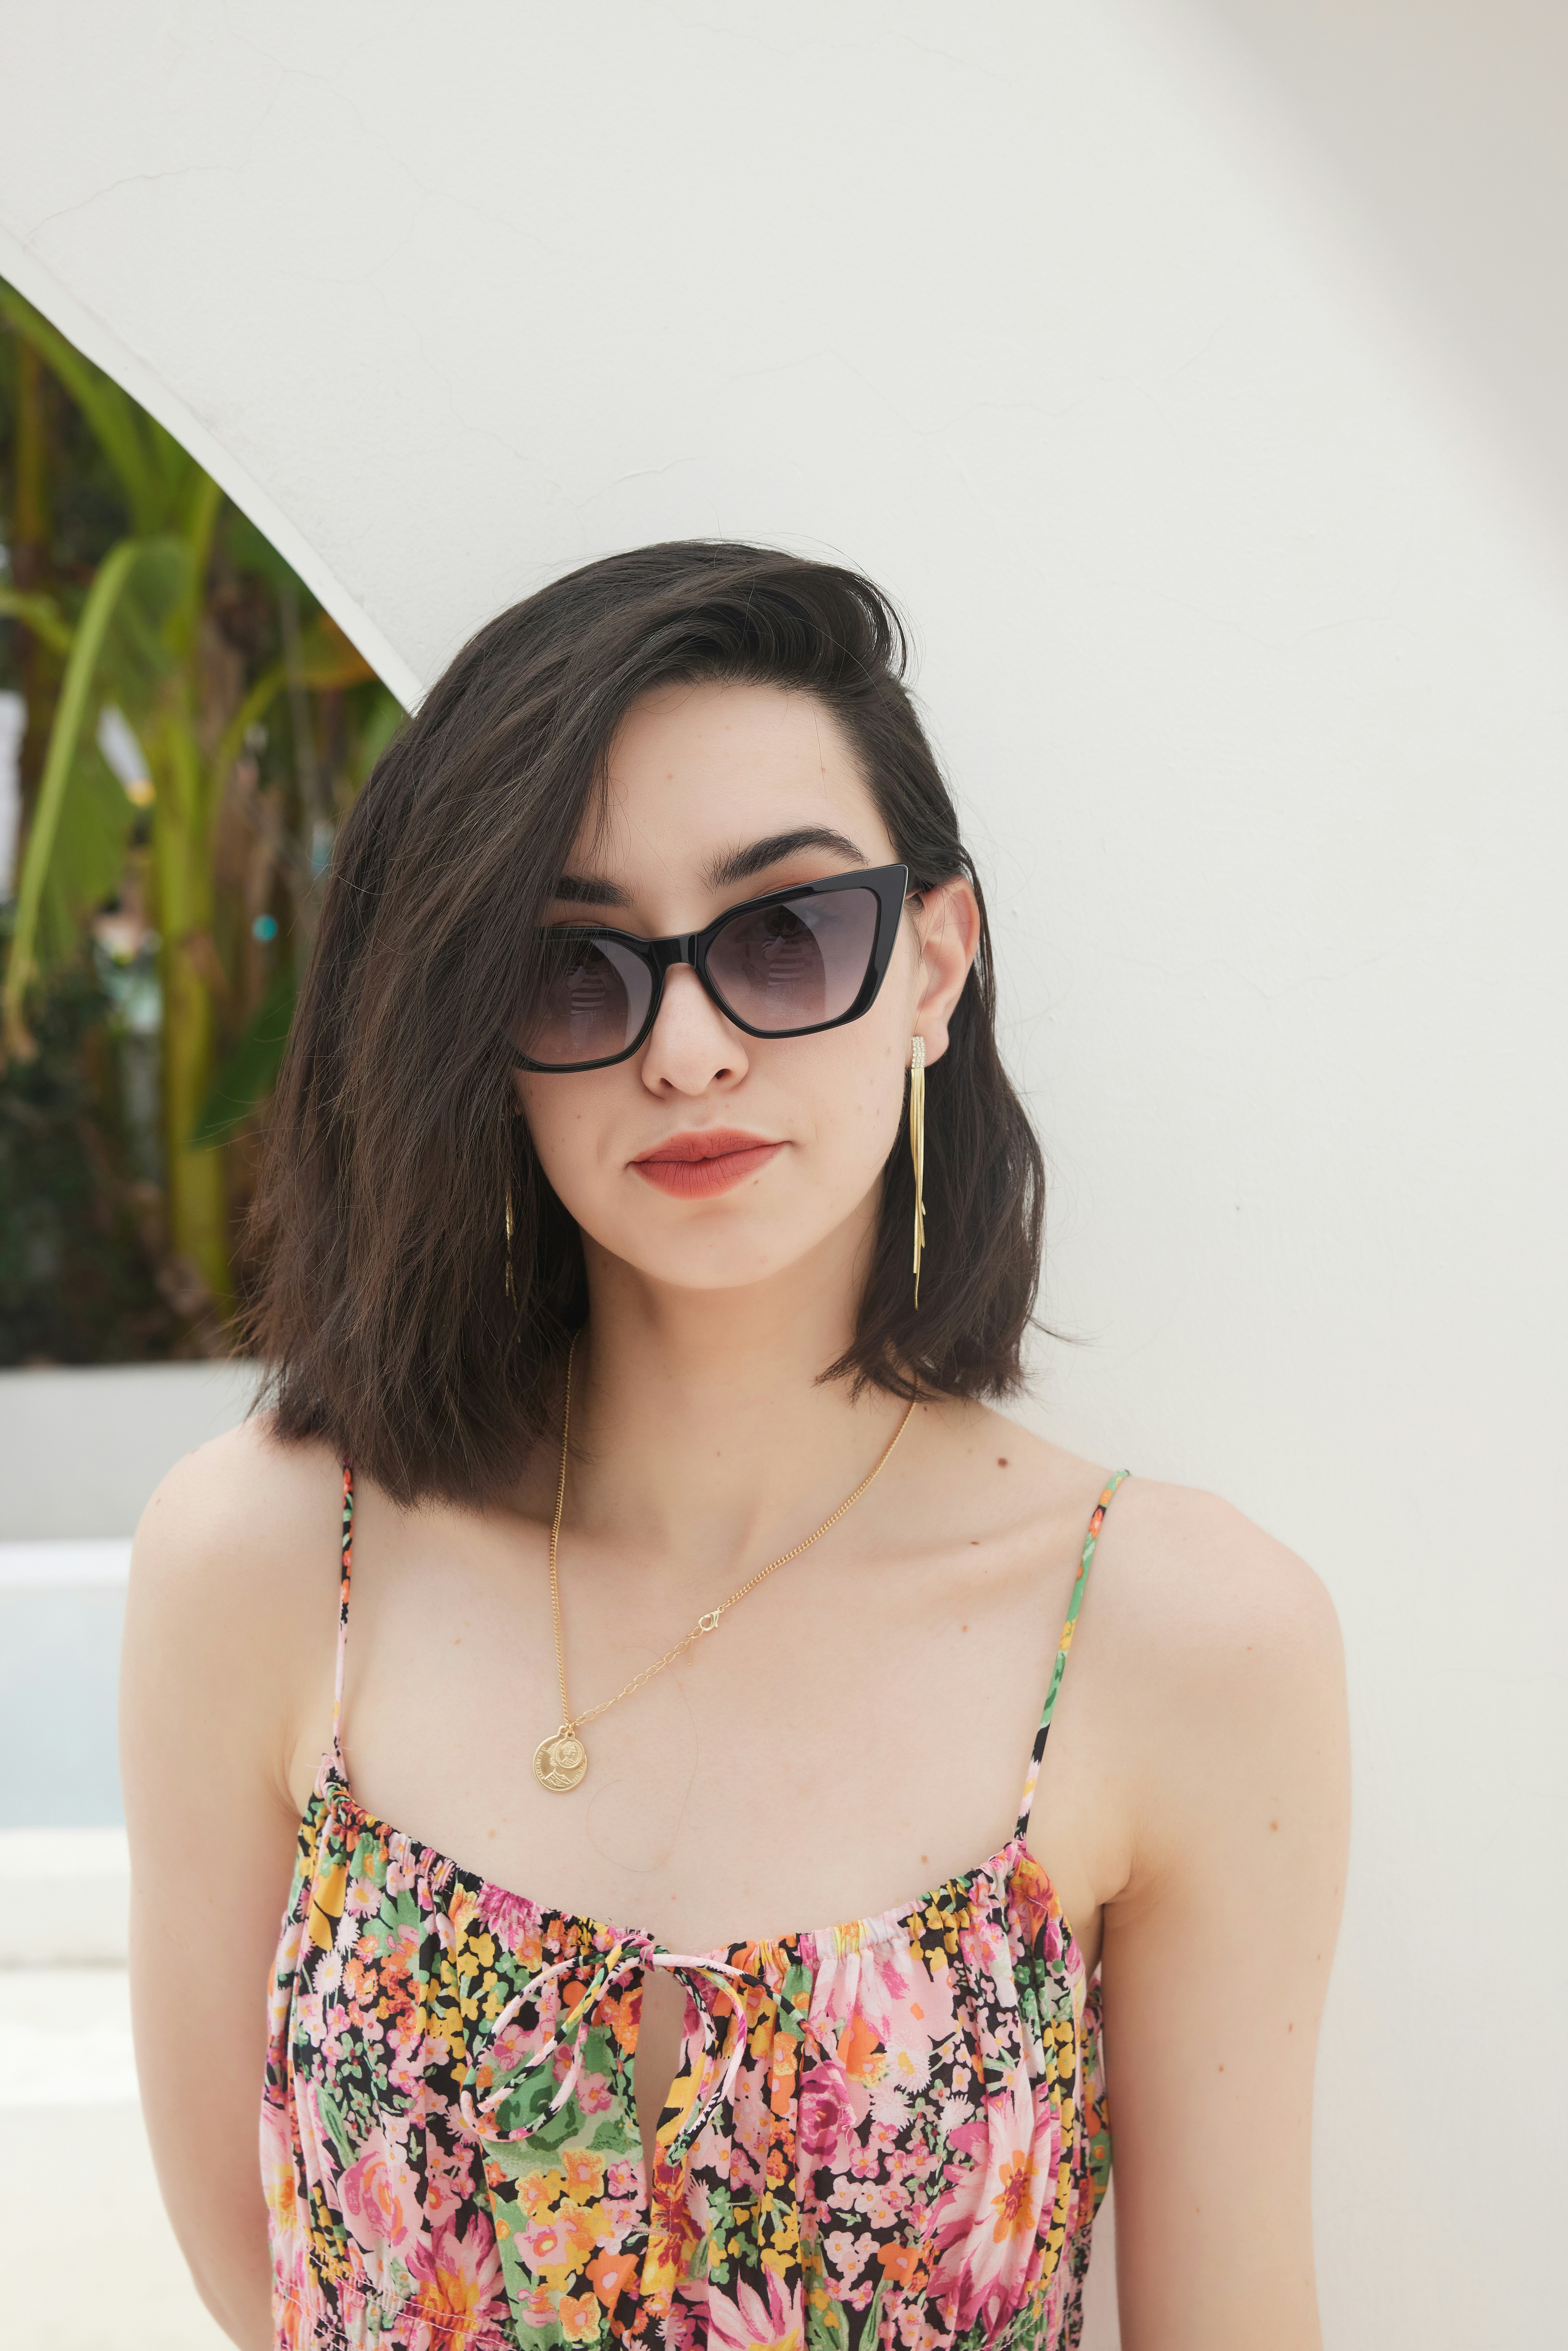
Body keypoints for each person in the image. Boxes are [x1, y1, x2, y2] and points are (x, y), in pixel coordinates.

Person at [121, 543, 1349, 2351]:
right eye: (573, 966)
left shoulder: (1181, 1634)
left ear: (933, 966)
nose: (687, 1051)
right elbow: (262, 2277)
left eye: (784, 934)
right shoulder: (271, 1563)